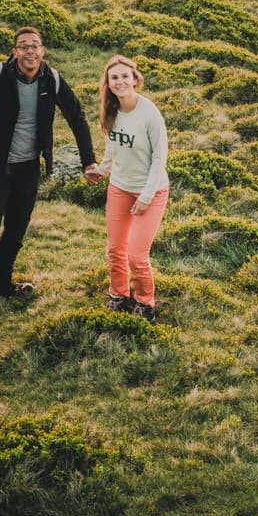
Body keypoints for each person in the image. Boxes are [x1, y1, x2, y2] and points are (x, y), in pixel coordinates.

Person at [0, 25, 96, 320]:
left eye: (34, 45)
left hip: (28, 168)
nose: (29, 51)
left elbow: (77, 117)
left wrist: (88, 161)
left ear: (42, 51)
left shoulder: (52, 79)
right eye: (23, 46)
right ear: (15, 52)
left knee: (15, 231)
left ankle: (1, 284)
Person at [84, 54, 169, 323]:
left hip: (151, 191)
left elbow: (159, 158)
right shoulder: (112, 110)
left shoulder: (149, 113)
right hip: (120, 187)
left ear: (134, 79)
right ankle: (118, 294)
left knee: (136, 255)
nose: (119, 81)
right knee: (115, 249)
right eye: (114, 78)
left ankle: (145, 302)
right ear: (108, 84)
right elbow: (113, 148)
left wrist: (145, 196)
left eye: (124, 76)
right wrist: (102, 170)